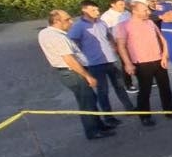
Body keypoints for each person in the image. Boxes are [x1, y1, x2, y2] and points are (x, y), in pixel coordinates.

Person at [37, 10, 116, 140]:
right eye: (67, 19)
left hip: (67, 71)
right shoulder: (58, 37)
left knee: (90, 99)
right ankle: (93, 131)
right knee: (87, 101)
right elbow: (69, 60)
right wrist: (88, 76)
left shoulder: (45, 33)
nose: (71, 22)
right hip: (74, 72)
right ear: (56, 21)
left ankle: (99, 125)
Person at [68, 0, 135, 124]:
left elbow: (109, 35)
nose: (97, 12)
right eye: (93, 10)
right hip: (95, 63)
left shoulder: (101, 22)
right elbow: (72, 43)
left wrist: (114, 46)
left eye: (97, 9)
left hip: (111, 60)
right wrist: (81, 56)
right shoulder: (79, 26)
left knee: (120, 86)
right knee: (103, 91)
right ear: (84, 10)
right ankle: (108, 117)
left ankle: (129, 108)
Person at [115, 2, 172, 125]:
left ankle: (169, 111)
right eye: (145, 10)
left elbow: (162, 39)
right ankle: (145, 116)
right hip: (141, 63)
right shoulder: (124, 26)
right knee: (145, 91)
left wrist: (164, 55)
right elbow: (121, 46)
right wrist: (128, 64)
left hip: (158, 60)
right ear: (135, 11)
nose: (148, 12)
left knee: (165, 88)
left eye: (148, 10)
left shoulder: (150, 23)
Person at [101, 0, 137, 91]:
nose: (123, 6)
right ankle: (128, 84)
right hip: (119, 42)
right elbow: (106, 32)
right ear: (112, 5)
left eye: (123, 4)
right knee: (125, 62)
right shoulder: (106, 17)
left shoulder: (126, 13)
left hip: (131, 40)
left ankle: (142, 79)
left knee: (136, 60)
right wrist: (113, 45)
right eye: (120, 4)